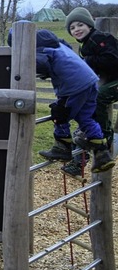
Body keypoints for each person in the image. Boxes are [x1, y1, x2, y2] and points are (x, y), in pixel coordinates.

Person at [8, 29, 115, 176]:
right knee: (85, 117)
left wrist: (22, 65)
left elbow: (41, 63)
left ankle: (63, 146)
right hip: (90, 82)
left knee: (60, 113)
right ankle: (102, 153)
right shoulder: (59, 44)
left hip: (74, 86)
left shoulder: (40, 49)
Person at [62, 7, 118, 174]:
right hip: (111, 80)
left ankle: (105, 140)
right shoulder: (86, 45)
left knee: (100, 97)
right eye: (72, 28)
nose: (77, 30)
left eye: (80, 25)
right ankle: (79, 160)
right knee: (89, 107)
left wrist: (88, 61)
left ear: (89, 25)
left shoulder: (99, 38)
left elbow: (113, 60)